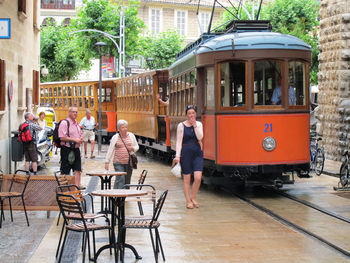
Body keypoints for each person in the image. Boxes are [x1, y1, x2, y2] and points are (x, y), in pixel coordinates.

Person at [174, 105, 203, 209]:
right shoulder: (181, 126)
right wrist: (177, 156)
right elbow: (179, 142)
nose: (191, 115)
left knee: (198, 177)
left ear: (195, 114)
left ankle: (193, 197)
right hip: (185, 153)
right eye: (189, 113)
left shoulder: (199, 124)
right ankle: (188, 201)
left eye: (193, 113)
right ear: (186, 115)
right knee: (187, 179)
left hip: (197, 153)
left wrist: (194, 125)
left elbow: (200, 137)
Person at [105, 119, 139, 189]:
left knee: (127, 181)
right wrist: (107, 162)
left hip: (129, 162)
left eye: (126, 127)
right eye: (123, 127)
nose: (125, 129)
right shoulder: (115, 137)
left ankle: (123, 197)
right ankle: (116, 197)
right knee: (120, 179)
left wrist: (133, 148)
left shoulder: (131, 136)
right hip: (118, 162)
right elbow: (110, 150)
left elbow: (137, 146)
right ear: (119, 129)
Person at [58, 107, 83, 187]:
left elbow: (79, 134)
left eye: (76, 112)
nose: (75, 113)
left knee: (77, 170)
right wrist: (75, 140)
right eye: (73, 112)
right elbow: (62, 137)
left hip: (76, 149)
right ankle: (63, 190)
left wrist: (80, 138)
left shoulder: (76, 123)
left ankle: (76, 189)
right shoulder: (64, 123)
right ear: (69, 113)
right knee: (65, 171)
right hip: (66, 149)